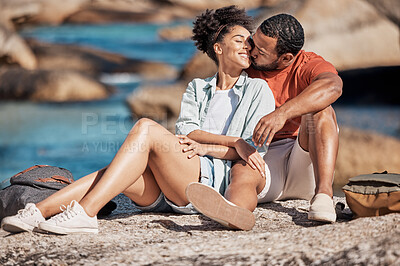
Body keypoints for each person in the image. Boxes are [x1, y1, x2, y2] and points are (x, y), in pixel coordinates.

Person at [1, 5, 275, 234]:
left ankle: (85, 213)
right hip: (179, 179)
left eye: (248, 42)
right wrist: (231, 142)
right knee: (112, 173)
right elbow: (187, 132)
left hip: (214, 183)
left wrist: (214, 147)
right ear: (218, 48)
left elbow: (252, 148)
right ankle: (38, 212)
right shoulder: (197, 87)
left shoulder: (257, 89)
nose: (247, 46)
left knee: (145, 126)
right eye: (240, 40)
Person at [186, 13, 343, 227]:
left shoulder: (307, 64)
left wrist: (282, 114)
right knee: (242, 170)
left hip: (304, 159)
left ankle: (324, 196)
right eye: (253, 42)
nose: (250, 51)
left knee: (322, 110)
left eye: (260, 51)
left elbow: (333, 86)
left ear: (286, 58)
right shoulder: (246, 65)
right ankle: (235, 214)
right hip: (265, 157)